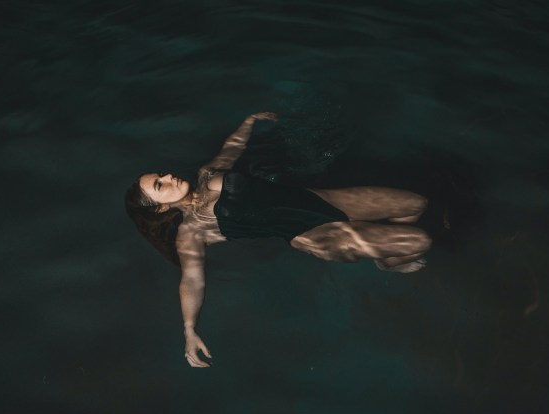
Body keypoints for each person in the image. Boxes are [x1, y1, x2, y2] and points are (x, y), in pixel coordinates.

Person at [125, 112, 431, 368]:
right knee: (420, 242)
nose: (169, 177)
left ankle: (382, 251)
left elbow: (232, 148)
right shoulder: (192, 231)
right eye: (160, 185)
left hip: (324, 200)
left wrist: (250, 121)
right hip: (320, 236)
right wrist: (189, 328)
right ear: (162, 207)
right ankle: (387, 262)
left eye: (162, 174)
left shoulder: (207, 174)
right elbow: (191, 280)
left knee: (417, 205)